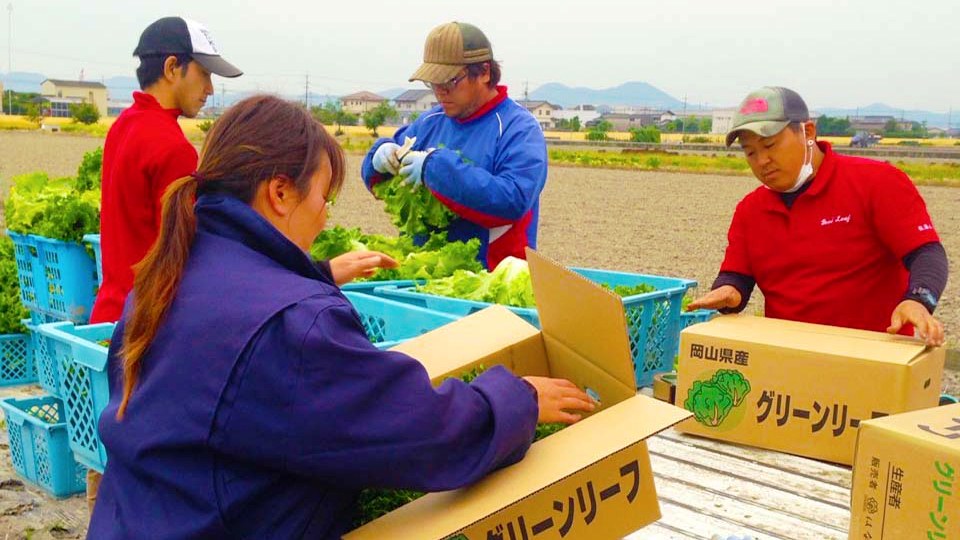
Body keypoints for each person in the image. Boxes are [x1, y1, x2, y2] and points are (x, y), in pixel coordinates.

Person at [87, 95, 594, 539]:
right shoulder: (294, 326)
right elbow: (422, 432)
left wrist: (318, 273)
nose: (326, 215)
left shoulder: (171, 272)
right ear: (280, 193)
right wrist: (518, 398)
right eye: (323, 197)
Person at [688, 86, 947, 346]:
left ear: (807, 133)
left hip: (872, 358)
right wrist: (729, 290)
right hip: (790, 356)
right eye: (750, 152)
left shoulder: (877, 183)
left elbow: (926, 252)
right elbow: (737, 276)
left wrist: (917, 300)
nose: (762, 161)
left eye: (769, 145)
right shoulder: (751, 210)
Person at [91, 16, 243, 326]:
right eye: (204, 74)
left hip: (112, 312)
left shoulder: (124, 125)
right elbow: (184, 252)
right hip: (149, 325)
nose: (210, 89)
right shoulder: (172, 148)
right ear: (172, 67)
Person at [360, 21, 548, 270]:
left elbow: (512, 200)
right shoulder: (430, 121)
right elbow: (383, 174)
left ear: (484, 72)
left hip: (489, 279)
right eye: (433, 83)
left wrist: (434, 169)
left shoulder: (519, 129)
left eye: (449, 82)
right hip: (425, 273)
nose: (439, 93)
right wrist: (378, 158)